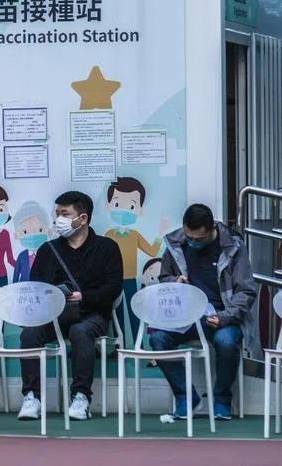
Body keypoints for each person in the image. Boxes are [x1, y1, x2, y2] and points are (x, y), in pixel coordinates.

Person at [18, 190, 122, 422]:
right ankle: (32, 397)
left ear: (82, 218)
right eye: (56, 214)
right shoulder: (48, 250)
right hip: (54, 317)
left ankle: (81, 397)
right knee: (29, 334)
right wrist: (55, 296)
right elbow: (36, 287)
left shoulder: (107, 248)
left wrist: (83, 297)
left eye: (65, 214)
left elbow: (113, 288)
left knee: (81, 331)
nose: (58, 220)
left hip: (91, 315)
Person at [150, 203, 257, 420]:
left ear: (212, 230)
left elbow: (246, 291)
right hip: (187, 317)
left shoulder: (234, 246)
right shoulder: (175, 244)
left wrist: (224, 317)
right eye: (189, 237)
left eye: (199, 239)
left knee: (226, 343)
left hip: (223, 315)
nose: (192, 243)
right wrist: (175, 281)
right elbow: (163, 279)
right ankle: (186, 398)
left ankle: (222, 400)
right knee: (158, 340)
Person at [102, 177, 165, 338]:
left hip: (130, 280)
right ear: (108, 206)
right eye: (117, 204)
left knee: (134, 312)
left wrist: (160, 235)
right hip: (113, 280)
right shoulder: (108, 235)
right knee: (116, 315)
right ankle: (118, 347)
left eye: (131, 206)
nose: (124, 211)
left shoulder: (135, 235)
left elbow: (152, 252)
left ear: (139, 210)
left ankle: (139, 345)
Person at [11, 201, 51, 284]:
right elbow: (16, 273)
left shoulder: (48, 254)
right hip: (24, 288)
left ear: (48, 231)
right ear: (16, 236)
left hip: (42, 287)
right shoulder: (22, 255)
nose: (33, 236)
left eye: (40, 230)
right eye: (25, 231)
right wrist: (13, 287)